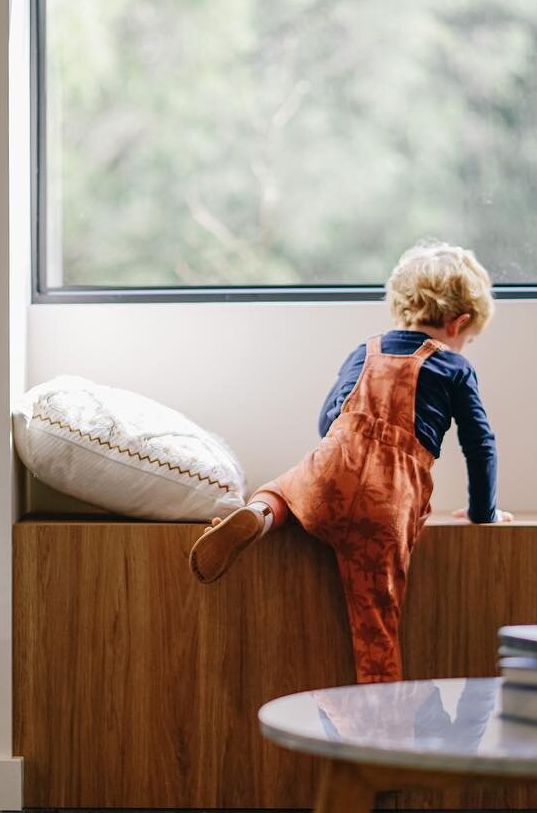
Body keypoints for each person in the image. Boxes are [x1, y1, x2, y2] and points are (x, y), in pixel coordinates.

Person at [188, 239, 513, 683]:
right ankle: (381, 721)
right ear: (459, 324)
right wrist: (484, 513)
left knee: (282, 488)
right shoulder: (454, 368)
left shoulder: (367, 349)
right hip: (386, 501)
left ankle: (258, 517)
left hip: (330, 471)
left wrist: (348, 457)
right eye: (469, 339)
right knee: (375, 622)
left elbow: (327, 419)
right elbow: (480, 445)